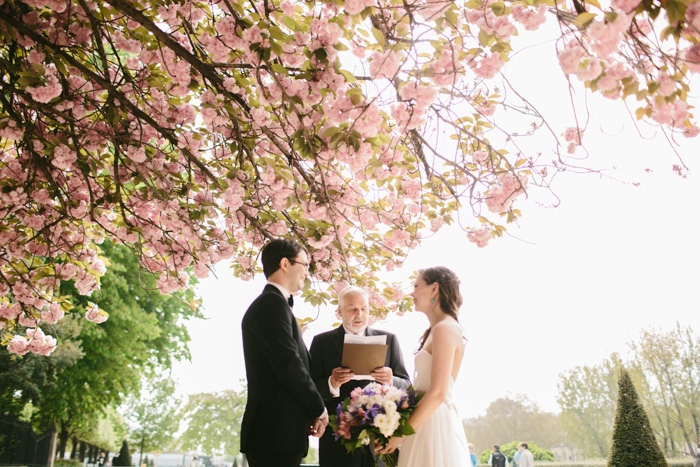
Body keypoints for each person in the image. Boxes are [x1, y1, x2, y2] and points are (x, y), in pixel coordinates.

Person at [240, 238, 328, 467]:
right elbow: (289, 365)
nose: (307, 273)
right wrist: (318, 407)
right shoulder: (271, 305)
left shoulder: (276, 305)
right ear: (285, 264)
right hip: (274, 436)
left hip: (281, 435)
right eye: (305, 265)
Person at [376, 266, 470, 467]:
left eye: (416, 285)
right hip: (423, 422)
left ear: (434, 288)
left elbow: (438, 392)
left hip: (434, 426)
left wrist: (401, 434)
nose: (412, 293)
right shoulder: (436, 330)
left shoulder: (445, 328)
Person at [310, 285, 412, 467]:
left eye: (364, 309)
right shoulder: (321, 343)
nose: (360, 314)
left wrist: (390, 380)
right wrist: (331, 383)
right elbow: (310, 392)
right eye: (353, 309)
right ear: (340, 311)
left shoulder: (389, 339)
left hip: (381, 442)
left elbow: (407, 386)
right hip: (338, 445)